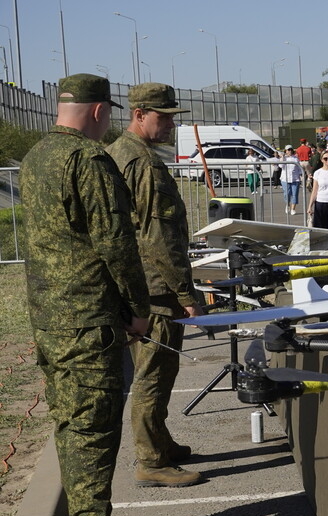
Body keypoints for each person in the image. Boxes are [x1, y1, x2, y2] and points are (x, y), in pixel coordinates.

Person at [21, 73, 153, 516]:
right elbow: (116, 243)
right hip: (87, 318)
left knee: (75, 425)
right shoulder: (89, 159)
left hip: (54, 317)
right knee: (92, 431)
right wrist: (138, 307)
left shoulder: (37, 157)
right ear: (99, 111)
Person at [106, 82, 204, 489]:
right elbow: (157, 237)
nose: (169, 125)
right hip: (155, 287)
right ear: (140, 114)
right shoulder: (141, 161)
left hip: (143, 283)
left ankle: (159, 443)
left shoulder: (121, 154)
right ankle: (150, 460)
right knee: (153, 373)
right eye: (163, 117)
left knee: (162, 368)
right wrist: (187, 293)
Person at [279, 145, 302, 215]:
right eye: (288, 150)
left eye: (290, 149)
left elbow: (299, 168)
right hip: (285, 179)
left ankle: (293, 209)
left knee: (294, 194)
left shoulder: (296, 158)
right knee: (287, 194)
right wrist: (282, 157)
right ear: (285, 151)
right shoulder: (284, 158)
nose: (289, 151)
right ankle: (287, 205)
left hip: (295, 178)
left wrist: (301, 175)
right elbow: (281, 166)